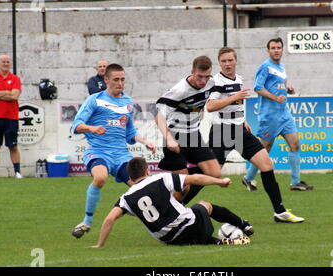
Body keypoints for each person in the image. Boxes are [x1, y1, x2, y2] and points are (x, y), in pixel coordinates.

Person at [207, 47, 304, 223]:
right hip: (222, 132)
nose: (228, 64)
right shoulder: (216, 81)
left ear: (236, 61)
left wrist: (243, 120)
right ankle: (176, 205)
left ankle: (280, 212)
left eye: (230, 60)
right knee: (210, 175)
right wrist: (233, 97)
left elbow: (236, 104)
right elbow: (210, 106)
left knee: (266, 164)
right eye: (224, 61)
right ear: (219, 63)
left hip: (239, 130)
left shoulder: (238, 78)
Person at [71, 63, 157, 239]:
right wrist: (91, 128)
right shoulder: (95, 99)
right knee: (100, 177)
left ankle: (159, 224)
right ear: (106, 80)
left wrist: (145, 141)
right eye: (116, 79)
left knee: (141, 189)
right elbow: (76, 125)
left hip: (121, 155)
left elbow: (130, 132)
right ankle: (86, 222)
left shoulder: (127, 102)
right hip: (98, 151)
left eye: (123, 79)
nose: (120, 83)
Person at [91, 157, 253, 248]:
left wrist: (99, 244)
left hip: (169, 239)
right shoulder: (160, 178)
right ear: (147, 170)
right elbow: (195, 178)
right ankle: (242, 224)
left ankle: (216, 241)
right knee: (205, 205)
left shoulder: (125, 198)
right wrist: (220, 181)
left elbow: (110, 219)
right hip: (190, 225)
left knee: (188, 223)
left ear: (131, 177)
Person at [243, 38, 314, 192]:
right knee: (264, 150)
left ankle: (295, 182)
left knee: (295, 145)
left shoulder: (281, 67)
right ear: (268, 50)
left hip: (284, 114)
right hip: (270, 116)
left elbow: (280, 84)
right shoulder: (265, 67)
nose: (276, 50)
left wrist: (288, 89)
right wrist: (275, 97)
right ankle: (248, 178)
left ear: (282, 50)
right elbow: (257, 88)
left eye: (279, 47)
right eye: (273, 48)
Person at [155, 56, 221, 205]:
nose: (203, 81)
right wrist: (169, 139)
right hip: (175, 136)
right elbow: (158, 116)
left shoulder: (211, 83)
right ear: (192, 72)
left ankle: (170, 189)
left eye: (206, 76)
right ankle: (172, 211)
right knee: (184, 186)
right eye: (199, 76)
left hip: (193, 134)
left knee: (214, 173)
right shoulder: (180, 90)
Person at [0, 55, 23, 179]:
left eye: (7, 62)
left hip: (11, 118)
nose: (5, 63)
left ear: (10, 64)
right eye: (3, 62)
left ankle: (17, 172)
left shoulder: (15, 79)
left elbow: (14, 96)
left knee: (13, 146)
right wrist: (7, 92)